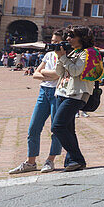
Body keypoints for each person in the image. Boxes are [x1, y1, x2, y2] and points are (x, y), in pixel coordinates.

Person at [9, 31, 65, 175]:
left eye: (56, 42)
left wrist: (46, 73)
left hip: (57, 93)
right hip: (43, 92)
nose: (53, 44)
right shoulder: (48, 55)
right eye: (52, 41)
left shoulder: (65, 57)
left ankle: (50, 160)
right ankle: (30, 162)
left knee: (56, 128)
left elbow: (59, 74)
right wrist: (50, 74)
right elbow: (35, 74)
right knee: (33, 128)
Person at [51, 26, 100, 171]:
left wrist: (64, 58)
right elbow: (59, 72)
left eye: (71, 36)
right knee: (68, 129)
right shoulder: (73, 52)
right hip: (62, 92)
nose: (68, 39)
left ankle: (78, 158)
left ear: (82, 38)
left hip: (76, 94)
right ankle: (72, 161)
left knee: (57, 126)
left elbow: (75, 71)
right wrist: (61, 57)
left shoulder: (88, 53)